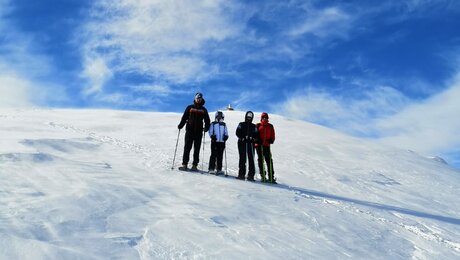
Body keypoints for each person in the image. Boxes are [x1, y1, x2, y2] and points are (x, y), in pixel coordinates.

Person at [177, 92, 211, 171]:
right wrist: (181, 125)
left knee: (197, 149)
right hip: (189, 131)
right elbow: (184, 117)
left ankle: (194, 166)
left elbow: (207, 121)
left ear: (202, 99)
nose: (198, 100)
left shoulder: (204, 110)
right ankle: (185, 164)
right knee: (187, 148)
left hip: (199, 132)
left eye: (200, 98)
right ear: (195, 99)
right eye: (197, 98)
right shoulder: (190, 107)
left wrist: (206, 128)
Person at [235, 111, 258, 181]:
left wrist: (253, 138)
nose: (249, 118)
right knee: (242, 158)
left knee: (251, 159)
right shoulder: (241, 124)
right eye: (248, 117)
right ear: (245, 117)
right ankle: (241, 174)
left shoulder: (254, 126)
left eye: (250, 117)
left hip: (250, 143)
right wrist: (242, 137)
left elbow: (257, 134)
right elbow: (237, 132)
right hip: (242, 143)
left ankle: (251, 175)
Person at [255, 112, 276, 183]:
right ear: (261, 118)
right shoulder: (258, 125)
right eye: (263, 117)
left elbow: (273, 134)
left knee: (269, 160)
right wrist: (257, 140)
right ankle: (262, 175)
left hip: (267, 145)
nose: (265, 119)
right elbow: (255, 134)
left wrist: (271, 140)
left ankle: (271, 177)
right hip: (259, 145)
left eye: (266, 117)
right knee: (261, 160)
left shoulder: (270, 126)